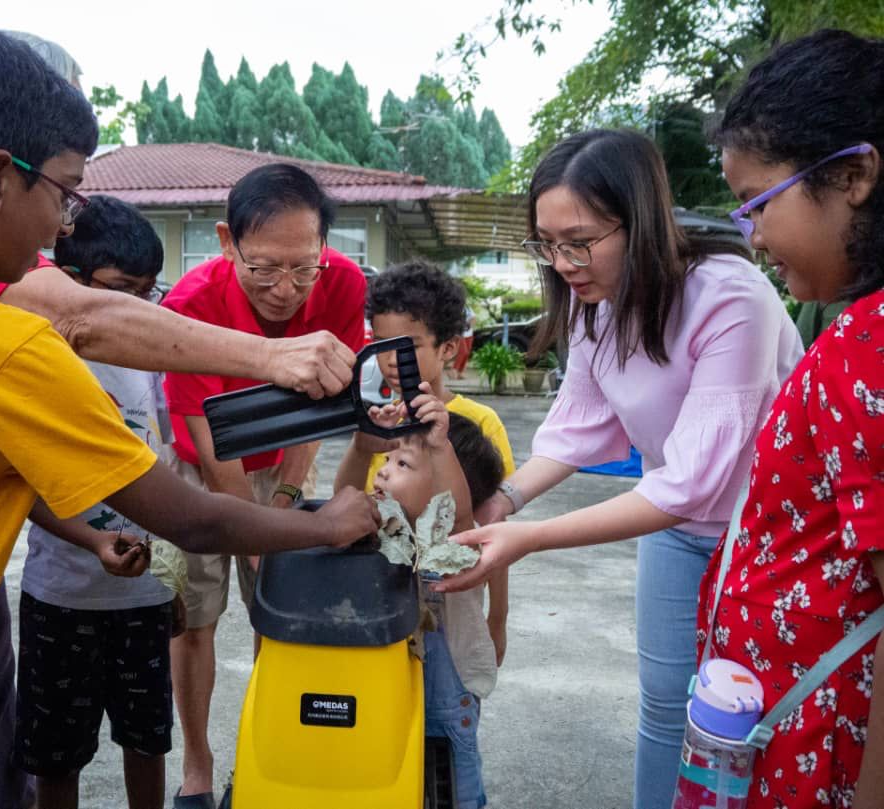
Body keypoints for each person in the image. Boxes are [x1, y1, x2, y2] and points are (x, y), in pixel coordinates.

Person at [0, 25, 378, 809]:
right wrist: (329, 523)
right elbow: (194, 520)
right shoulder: (8, 348)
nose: (61, 225)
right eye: (66, 193)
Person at [436, 128, 804, 809]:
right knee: (665, 707)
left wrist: (531, 536)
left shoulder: (731, 298)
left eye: (580, 240)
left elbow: (690, 478)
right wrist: (504, 502)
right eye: (547, 244)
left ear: (640, 220)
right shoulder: (593, 303)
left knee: (747, 717)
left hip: (766, 538)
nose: (564, 262)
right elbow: (576, 425)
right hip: (674, 530)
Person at [694, 29, 884, 808]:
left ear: (854, 175)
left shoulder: (866, 347)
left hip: (819, 755)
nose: (757, 236)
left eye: (759, 204)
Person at [161, 162, 367, 808]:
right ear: (228, 243)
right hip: (203, 469)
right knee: (195, 617)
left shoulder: (343, 285)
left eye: (304, 267)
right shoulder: (189, 305)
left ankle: (262, 743)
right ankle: (197, 761)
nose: (286, 289)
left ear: (324, 249)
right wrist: (250, 534)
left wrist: (281, 501)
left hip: (282, 465)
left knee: (275, 616)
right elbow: (207, 440)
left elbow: (325, 407)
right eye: (264, 269)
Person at [14, 196, 179, 809]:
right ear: (70, 284)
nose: (132, 309)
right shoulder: (41, 361)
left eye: (146, 292)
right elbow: (20, 489)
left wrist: (173, 582)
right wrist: (90, 540)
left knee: (148, 740)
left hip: (143, 596)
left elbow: (164, 460)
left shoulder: (151, 364)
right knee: (55, 755)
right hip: (62, 596)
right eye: (117, 290)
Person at [335, 260, 515, 666]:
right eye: (381, 344)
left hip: (449, 610)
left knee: (444, 716)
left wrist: (498, 617)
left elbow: (491, 531)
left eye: (409, 345)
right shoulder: (383, 422)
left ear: (447, 347)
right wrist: (362, 447)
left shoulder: (478, 423)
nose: (392, 359)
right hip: (379, 608)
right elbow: (345, 499)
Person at [339, 402, 503, 809]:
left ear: (445, 484)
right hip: (387, 690)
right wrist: (361, 449)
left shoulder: (453, 543)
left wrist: (441, 446)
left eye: (404, 465)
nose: (384, 469)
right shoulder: (383, 527)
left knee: (453, 791)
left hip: (446, 703)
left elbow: (459, 512)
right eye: (387, 458)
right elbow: (340, 503)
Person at [450, 303, 475, 379]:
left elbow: (473, 318)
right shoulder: (455, 307)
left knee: (467, 354)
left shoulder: (468, 307)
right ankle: (454, 370)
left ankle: (460, 372)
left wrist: (470, 325)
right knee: (463, 352)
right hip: (459, 333)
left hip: (469, 333)